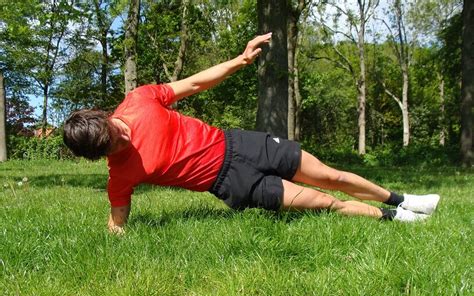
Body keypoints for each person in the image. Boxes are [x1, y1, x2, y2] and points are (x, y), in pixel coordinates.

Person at [63, 33, 440, 233]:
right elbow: (117, 223)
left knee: (332, 176)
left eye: (116, 130)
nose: (124, 139)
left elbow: (194, 83)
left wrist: (241, 61)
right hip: (234, 183)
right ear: (99, 154)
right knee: (324, 202)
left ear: (104, 115)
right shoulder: (120, 175)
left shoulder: (139, 100)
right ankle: (396, 219)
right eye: (114, 145)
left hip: (241, 144)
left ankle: (405, 198)